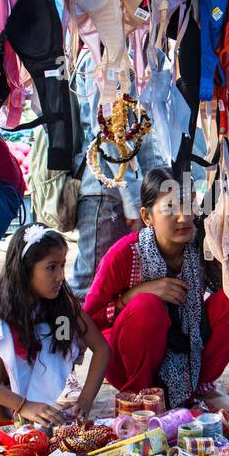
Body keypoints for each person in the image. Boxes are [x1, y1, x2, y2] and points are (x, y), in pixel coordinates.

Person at [84, 166, 229, 406]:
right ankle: (142, 398)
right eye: (171, 208)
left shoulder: (203, 246)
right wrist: (131, 297)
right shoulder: (125, 253)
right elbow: (89, 321)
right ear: (147, 217)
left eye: (189, 205)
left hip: (191, 358)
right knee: (147, 306)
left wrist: (228, 256)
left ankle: (201, 384)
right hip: (128, 365)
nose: (184, 217)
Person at [0, 222, 109, 426]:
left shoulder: (61, 301)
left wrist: (85, 400)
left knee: (61, 328)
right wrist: (24, 405)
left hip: (26, 398)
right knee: (1, 332)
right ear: (25, 269)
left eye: (62, 266)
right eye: (51, 268)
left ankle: (29, 405)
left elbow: (101, 348)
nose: (61, 276)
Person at [67, 48, 160, 294]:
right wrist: (133, 201)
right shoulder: (101, 58)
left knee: (121, 282)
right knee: (89, 285)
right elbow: (107, 134)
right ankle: (66, 333)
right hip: (106, 195)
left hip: (125, 195)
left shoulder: (135, 54)